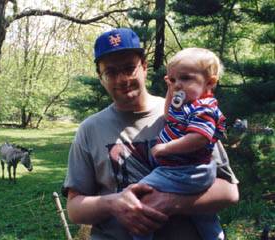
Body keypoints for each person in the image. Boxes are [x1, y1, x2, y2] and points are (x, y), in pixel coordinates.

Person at [63, 28, 239, 240]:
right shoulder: (89, 130)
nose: (122, 79)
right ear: (100, 78)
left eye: (130, 68)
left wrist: (172, 202)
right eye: (110, 72)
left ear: (144, 67)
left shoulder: (185, 111)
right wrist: (112, 203)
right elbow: (74, 208)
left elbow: (229, 192)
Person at [133, 48, 227, 240]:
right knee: (204, 216)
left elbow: (198, 138)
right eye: (173, 80)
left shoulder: (204, 109)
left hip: (184, 171)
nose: (177, 85)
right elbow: (168, 114)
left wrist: (166, 148)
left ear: (210, 82)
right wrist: (170, 90)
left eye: (184, 78)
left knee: (140, 197)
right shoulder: (188, 104)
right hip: (190, 171)